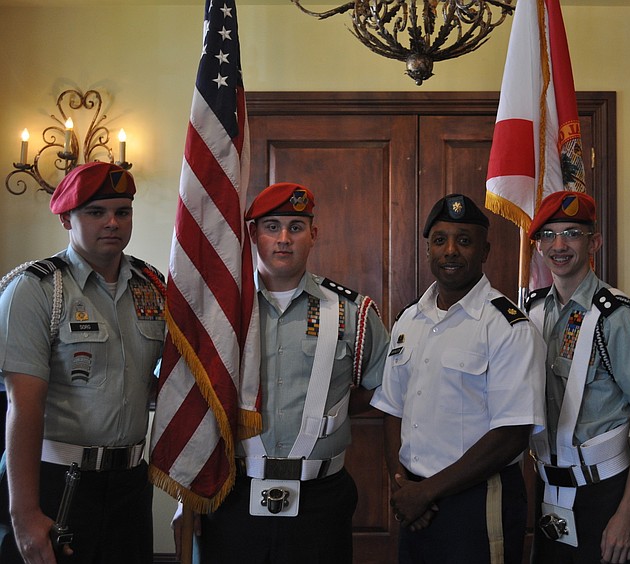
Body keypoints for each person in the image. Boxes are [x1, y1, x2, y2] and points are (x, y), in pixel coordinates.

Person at [173, 182, 389, 563]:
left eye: (296, 226)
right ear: (254, 234)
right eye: (272, 226)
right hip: (232, 493)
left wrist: (329, 411)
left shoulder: (354, 313)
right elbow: (191, 398)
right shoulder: (219, 317)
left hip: (320, 499)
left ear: (313, 235)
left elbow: (383, 387)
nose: (284, 238)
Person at [0, 162, 166, 564]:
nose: (112, 222)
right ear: (65, 218)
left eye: (122, 211)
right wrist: (24, 515)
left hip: (129, 482)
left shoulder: (153, 287)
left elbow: (162, 381)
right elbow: (23, 406)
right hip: (58, 482)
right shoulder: (36, 289)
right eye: (95, 212)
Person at [370, 193, 546, 564]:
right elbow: (391, 407)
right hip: (415, 502)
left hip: (479, 502)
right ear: (428, 248)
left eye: (464, 241)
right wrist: (404, 488)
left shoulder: (507, 326)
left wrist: (426, 493)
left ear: (484, 250)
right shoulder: (409, 320)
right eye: (440, 240)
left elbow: (512, 434)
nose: (450, 250)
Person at [524, 191, 630, 564]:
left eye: (571, 233)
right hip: (547, 487)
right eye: (548, 236)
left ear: (594, 242)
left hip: (605, 493)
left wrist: (628, 512)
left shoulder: (617, 316)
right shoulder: (532, 313)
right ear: (538, 248)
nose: (559, 245)